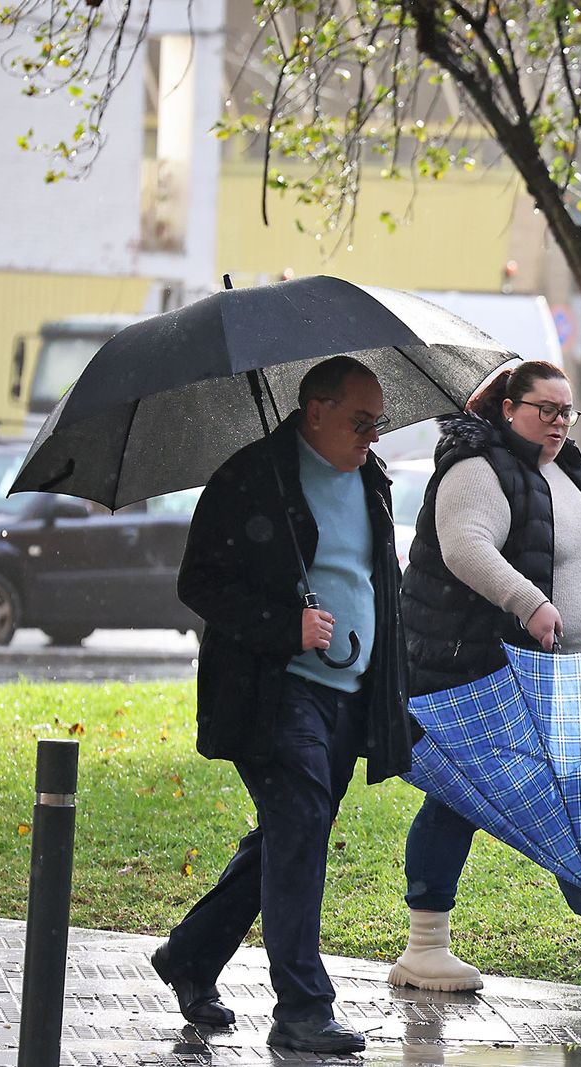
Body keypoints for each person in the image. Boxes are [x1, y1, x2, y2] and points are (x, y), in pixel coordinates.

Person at [391, 360, 581, 996]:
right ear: (507, 408)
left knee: (571, 799)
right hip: (478, 666)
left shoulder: (557, 469)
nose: (559, 422)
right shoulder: (475, 469)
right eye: (545, 409)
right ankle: (426, 949)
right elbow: (465, 547)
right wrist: (530, 603)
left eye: (566, 411)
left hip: (559, 668)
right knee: (466, 799)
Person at [148, 356, 417, 1054]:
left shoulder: (371, 477)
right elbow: (197, 581)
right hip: (272, 694)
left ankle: (190, 955)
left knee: (283, 839)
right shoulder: (252, 477)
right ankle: (302, 1007)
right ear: (316, 410)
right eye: (361, 422)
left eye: (379, 423)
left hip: (348, 693)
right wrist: (281, 624)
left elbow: (376, 576)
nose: (372, 436)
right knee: (297, 828)